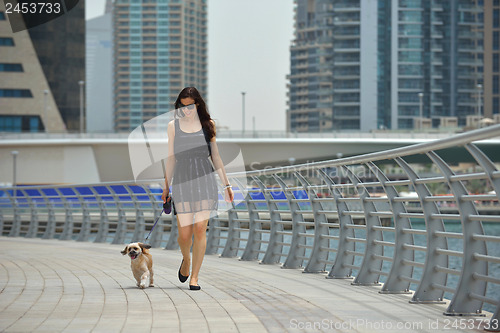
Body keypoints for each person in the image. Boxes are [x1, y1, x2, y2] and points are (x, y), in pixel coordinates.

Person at [161, 87, 234, 290]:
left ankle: (194, 277)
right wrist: (166, 187)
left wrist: (226, 184)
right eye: (183, 107)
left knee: (200, 229)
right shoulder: (173, 126)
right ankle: (186, 260)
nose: (186, 110)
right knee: (184, 235)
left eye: (190, 106)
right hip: (183, 180)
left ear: (198, 104)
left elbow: (216, 156)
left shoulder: (208, 125)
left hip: (205, 179)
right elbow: (171, 158)